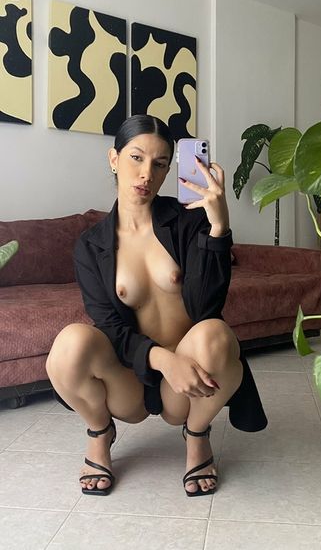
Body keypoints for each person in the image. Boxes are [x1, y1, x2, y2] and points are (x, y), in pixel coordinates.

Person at [46, 115, 267, 498]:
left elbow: (206, 308)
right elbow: (109, 326)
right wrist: (164, 360)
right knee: (69, 344)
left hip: (187, 385)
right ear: (114, 159)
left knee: (216, 334)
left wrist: (218, 230)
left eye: (160, 163)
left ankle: (196, 435)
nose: (146, 173)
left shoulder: (188, 221)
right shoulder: (91, 244)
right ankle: (100, 433)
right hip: (129, 381)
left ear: (169, 169)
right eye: (136, 157)